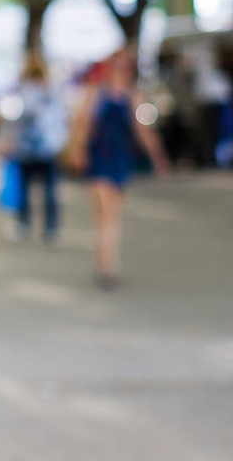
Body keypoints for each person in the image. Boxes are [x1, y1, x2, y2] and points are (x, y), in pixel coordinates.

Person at [69, 47, 169, 289]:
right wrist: (78, 150)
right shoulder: (96, 92)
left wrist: (158, 157)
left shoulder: (134, 95)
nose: (121, 71)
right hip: (99, 158)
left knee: (113, 214)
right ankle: (105, 264)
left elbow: (143, 130)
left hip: (120, 159)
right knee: (104, 211)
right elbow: (83, 122)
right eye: (118, 66)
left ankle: (107, 263)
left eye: (126, 67)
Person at [9, 54, 68, 243]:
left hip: (26, 147)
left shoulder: (22, 90)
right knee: (49, 190)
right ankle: (50, 228)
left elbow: (16, 116)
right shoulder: (51, 91)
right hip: (47, 147)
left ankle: (24, 224)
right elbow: (60, 119)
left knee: (25, 189)